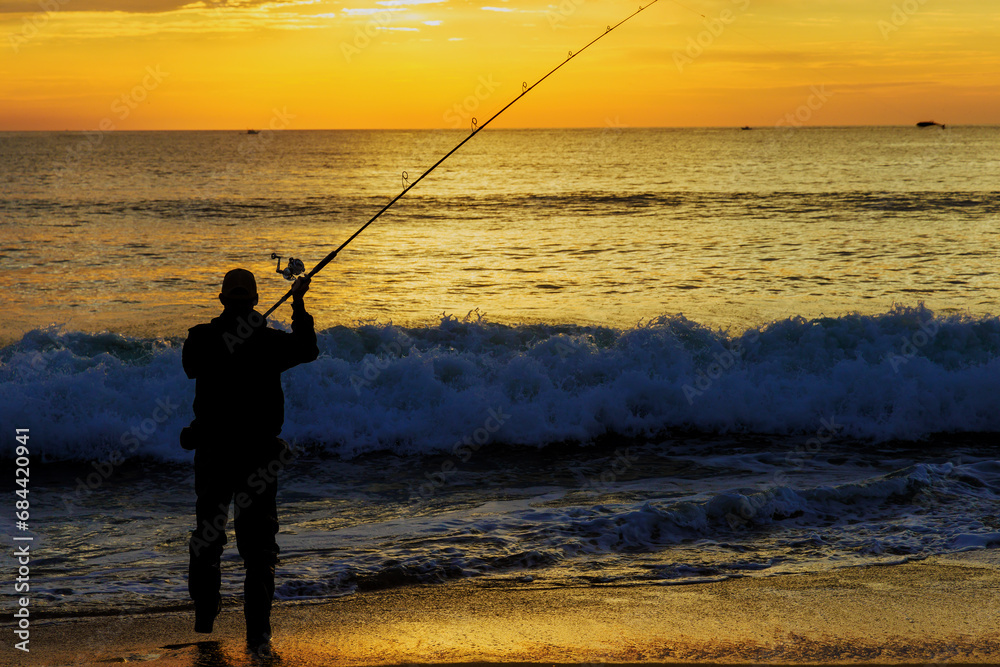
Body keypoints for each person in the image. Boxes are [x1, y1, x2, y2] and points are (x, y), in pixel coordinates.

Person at [181, 268, 318, 653]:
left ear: (223, 299)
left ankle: (206, 614)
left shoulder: (201, 338)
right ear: (255, 300)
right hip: (257, 456)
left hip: (214, 455)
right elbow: (307, 349)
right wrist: (298, 301)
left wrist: (243, 332)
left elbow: (192, 365)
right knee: (258, 548)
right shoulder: (268, 342)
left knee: (207, 536)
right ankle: (257, 633)